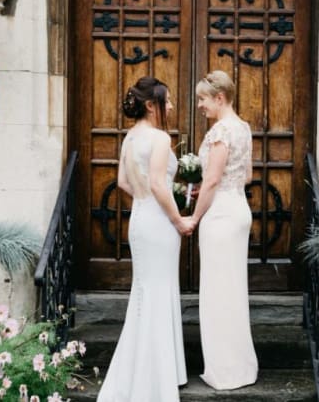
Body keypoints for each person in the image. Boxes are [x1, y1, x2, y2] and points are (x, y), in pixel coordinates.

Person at [97, 76, 193, 402]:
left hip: (140, 220)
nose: (170, 106)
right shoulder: (160, 138)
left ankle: (158, 369)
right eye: (166, 101)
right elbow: (157, 182)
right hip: (160, 224)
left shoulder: (130, 138)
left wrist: (147, 199)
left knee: (146, 291)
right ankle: (159, 377)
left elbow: (124, 182)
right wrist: (178, 219)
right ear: (150, 105)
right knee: (159, 290)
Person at [190, 70, 258, 390]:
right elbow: (245, 177)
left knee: (218, 293)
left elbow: (213, 180)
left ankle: (226, 371)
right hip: (238, 209)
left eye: (203, 99)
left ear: (220, 98)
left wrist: (194, 216)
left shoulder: (220, 132)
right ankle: (241, 367)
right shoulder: (243, 128)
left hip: (219, 215)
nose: (200, 106)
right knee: (233, 291)